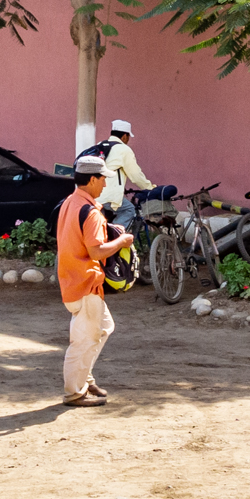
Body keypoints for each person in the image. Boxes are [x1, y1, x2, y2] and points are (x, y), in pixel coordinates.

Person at [56, 157, 133, 407]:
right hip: (86, 282)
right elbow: (96, 252)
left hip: (73, 279)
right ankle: (74, 392)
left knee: (104, 327)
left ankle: (85, 379)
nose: (104, 184)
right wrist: (121, 241)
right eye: (102, 179)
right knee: (83, 341)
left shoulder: (70, 202)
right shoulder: (90, 212)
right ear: (92, 179)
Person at [93, 119, 153, 231]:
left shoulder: (100, 145)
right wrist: (150, 188)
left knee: (100, 221)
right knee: (128, 209)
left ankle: (104, 235)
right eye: (128, 137)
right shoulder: (124, 150)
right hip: (109, 194)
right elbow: (135, 175)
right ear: (125, 136)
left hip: (94, 192)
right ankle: (115, 235)